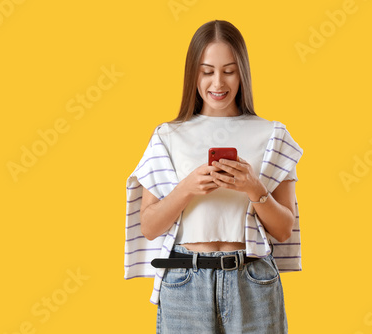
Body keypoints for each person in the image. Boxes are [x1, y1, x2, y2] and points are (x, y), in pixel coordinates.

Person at [125, 20, 303, 333]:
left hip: (253, 279)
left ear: (243, 72)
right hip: (184, 280)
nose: (218, 82)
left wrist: (253, 187)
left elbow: (284, 229)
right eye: (207, 71)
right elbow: (150, 227)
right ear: (193, 73)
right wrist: (186, 189)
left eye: (229, 70)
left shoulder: (273, 135)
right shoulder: (168, 136)